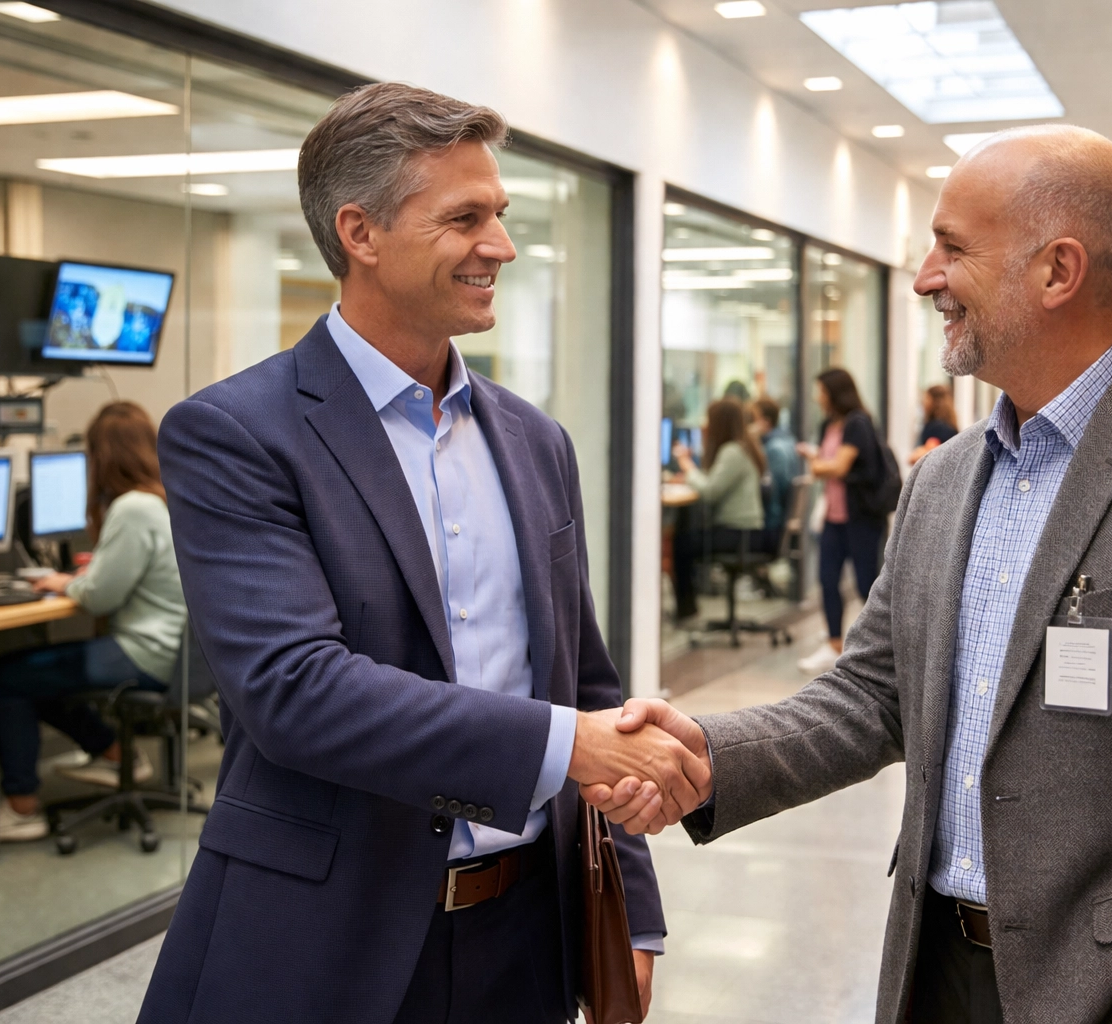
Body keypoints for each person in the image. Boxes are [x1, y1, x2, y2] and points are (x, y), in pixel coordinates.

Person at [585, 125, 1112, 1024]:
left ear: (1057, 271)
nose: (925, 277)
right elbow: (873, 695)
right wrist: (702, 752)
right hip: (934, 971)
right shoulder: (944, 479)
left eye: (952, 248)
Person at [139, 83, 707, 1024]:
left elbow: (588, 687)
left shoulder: (535, 441)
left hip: (528, 934)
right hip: (323, 941)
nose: (503, 245)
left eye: (502, 214)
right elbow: (296, 690)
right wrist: (569, 746)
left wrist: (633, 915)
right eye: (465, 217)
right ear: (360, 234)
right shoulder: (236, 434)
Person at [0, 401, 186, 842]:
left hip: (144, 654)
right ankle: (115, 752)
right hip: (173, 653)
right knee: (40, 676)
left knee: (10, 677)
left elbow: (100, 597)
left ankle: (22, 806)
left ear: (103, 456)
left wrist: (63, 583)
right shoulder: (162, 498)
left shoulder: (133, 508)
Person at [794, 367, 887, 675]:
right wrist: (822, 464)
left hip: (860, 518)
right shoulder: (827, 425)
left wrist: (818, 463)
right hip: (834, 518)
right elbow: (827, 465)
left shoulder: (857, 422)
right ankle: (834, 644)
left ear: (834, 392)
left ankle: (879, 646)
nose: (816, 396)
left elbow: (837, 466)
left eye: (819, 390)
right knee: (828, 580)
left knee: (866, 584)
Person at [670, 397, 766, 621]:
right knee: (686, 537)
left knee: (681, 544)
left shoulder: (733, 451)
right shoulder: (742, 447)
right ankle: (687, 607)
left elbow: (710, 491)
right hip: (745, 531)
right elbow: (714, 482)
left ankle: (686, 609)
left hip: (738, 534)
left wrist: (687, 466)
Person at [748, 396, 798, 548]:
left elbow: (773, 490)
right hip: (779, 522)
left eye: (753, 419)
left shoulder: (774, 449)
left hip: (772, 526)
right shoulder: (789, 440)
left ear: (765, 422)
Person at [908, 383, 958, 465]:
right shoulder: (949, 425)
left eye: (926, 398)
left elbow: (928, 452)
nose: (923, 402)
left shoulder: (937, 428)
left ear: (934, 401)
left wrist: (916, 453)